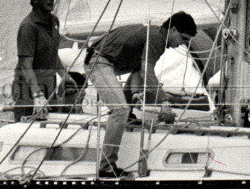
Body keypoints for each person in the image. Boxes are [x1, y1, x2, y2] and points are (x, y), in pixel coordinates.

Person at [85, 12, 198, 177]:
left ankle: (128, 115)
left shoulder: (156, 36)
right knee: (119, 111)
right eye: (184, 38)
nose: (183, 44)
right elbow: (147, 71)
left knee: (124, 110)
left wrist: (136, 92)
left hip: (107, 60)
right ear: (172, 30)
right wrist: (164, 102)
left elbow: (140, 68)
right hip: (99, 61)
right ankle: (106, 166)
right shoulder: (156, 38)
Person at [13, 0, 74, 121]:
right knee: (26, 127)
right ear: (35, 0)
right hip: (28, 87)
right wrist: (37, 94)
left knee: (49, 124)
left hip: (49, 83)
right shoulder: (28, 27)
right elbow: (25, 64)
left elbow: (52, 54)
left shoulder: (54, 21)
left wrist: (65, 76)